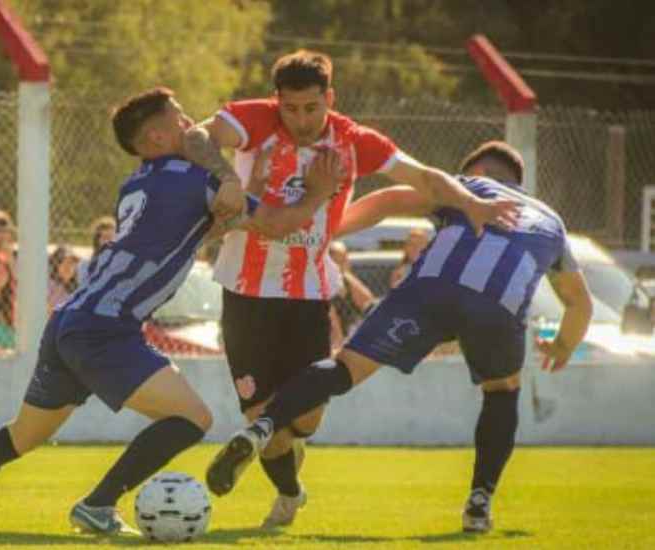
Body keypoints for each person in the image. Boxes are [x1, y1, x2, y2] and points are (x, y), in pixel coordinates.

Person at [0, 86, 339, 534]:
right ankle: (98, 504)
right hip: (106, 328)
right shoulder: (194, 179)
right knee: (192, 419)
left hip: (70, 319)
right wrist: (318, 193)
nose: (193, 126)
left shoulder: (138, 184)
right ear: (154, 138)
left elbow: (172, 238)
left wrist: (231, 204)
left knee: (22, 435)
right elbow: (280, 226)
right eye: (181, 119)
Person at [183, 49, 519, 528]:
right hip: (244, 291)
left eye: (311, 108)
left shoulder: (355, 141)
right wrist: (224, 177)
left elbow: (422, 175)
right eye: (290, 108)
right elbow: (197, 136)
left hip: (308, 294)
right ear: (277, 100)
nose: (300, 119)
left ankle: (284, 457)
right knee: (263, 419)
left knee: (306, 420)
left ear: (330, 99)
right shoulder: (254, 119)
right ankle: (290, 493)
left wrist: (469, 202)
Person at [206, 141, 593, 534]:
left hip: (429, 288)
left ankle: (263, 426)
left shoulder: (469, 187)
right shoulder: (552, 221)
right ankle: (479, 503)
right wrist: (563, 345)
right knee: (502, 390)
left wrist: (322, 230)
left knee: (346, 368)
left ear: (477, 171)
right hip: (497, 304)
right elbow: (580, 302)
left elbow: (389, 200)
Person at [327, 240, 376, 350]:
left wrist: (344, 274)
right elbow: (335, 331)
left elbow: (369, 302)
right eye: (336, 260)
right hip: (331, 343)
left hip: (351, 337)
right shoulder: (321, 287)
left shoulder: (347, 281)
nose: (341, 263)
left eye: (343, 259)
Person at [76, 216, 116, 285]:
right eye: (105, 238)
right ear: (97, 240)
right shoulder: (86, 263)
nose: (109, 241)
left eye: (112, 237)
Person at [47, 245, 80, 313]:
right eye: (63, 262)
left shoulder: (76, 288)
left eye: (71, 263)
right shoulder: (49, 284)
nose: (68, 266)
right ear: (56, 265)